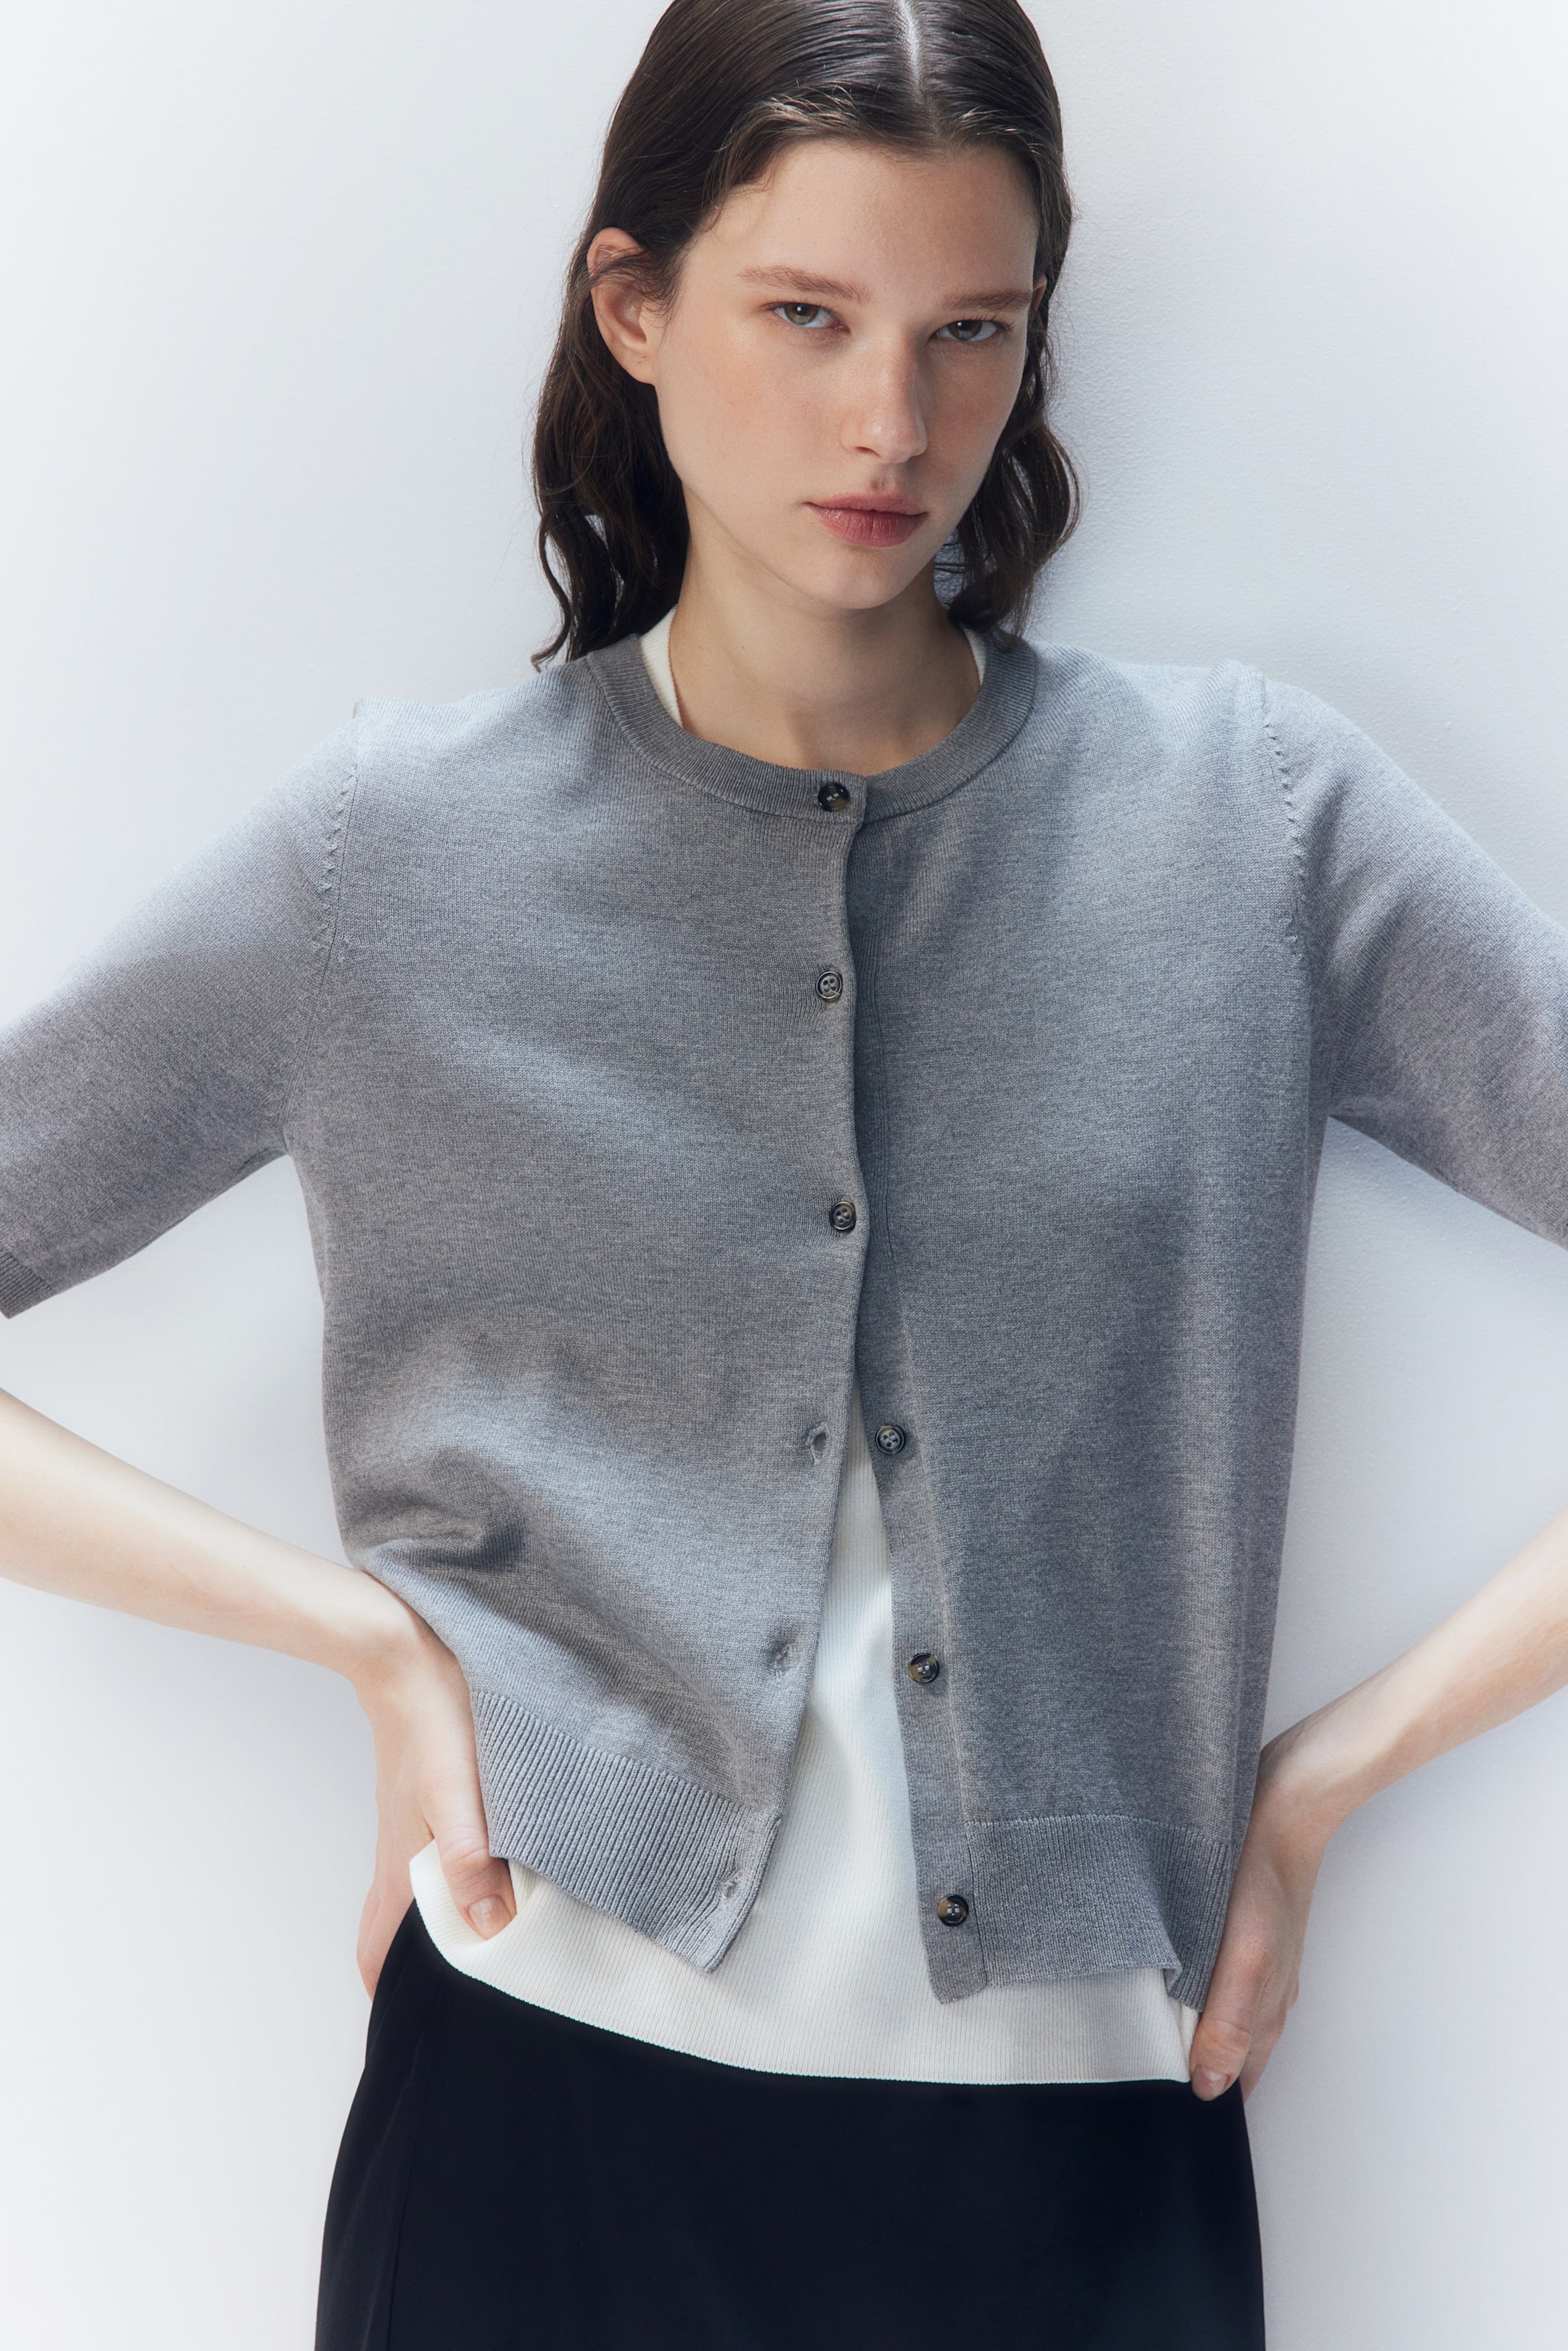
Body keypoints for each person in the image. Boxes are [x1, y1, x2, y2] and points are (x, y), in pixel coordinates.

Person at [4, 0, 1568, 2342]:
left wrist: (1330, 1777)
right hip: (535, 2127)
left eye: (970, 332)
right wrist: (362, 1642)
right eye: (807, 316)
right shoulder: (395, 860)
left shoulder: (1251, 828)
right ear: (635, 307)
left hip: (1088, 2173)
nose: (892, 425)